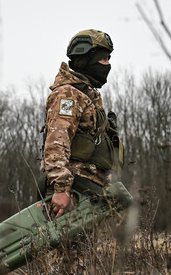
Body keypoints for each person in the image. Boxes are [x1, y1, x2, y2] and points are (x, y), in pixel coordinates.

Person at [41, 29, 123, 219]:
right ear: (87, 60)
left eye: (109, 59)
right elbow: (56, 144)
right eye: (103, 59)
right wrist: (61, 188)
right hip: (73, 192)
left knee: (87, 249)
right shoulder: (67, 95)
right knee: (68, 248)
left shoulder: (88, 96)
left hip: (91, 191)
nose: (108, 64)